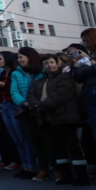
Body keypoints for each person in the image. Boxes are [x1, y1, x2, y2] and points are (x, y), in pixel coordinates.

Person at [29, 53, 90, 186]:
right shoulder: (38, 82)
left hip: (65, 118)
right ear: (43, 66)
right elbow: (31, 96)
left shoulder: (66, 77)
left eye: (51, 62)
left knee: (73, 147)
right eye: (46, 63)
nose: (49, 65)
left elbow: (61, 95)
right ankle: (65, 176)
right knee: (57, 149)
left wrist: (41, 105)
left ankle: (82, 176)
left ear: (57, 63)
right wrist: (36, 105)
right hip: (46, 120)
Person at [12, 47, 49, 181]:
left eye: (22, 57)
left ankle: (56, 168)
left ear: (30, 57)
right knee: (34, 141)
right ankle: (43, 169)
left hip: (42, 109)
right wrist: (24, 103)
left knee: (48, 140)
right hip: (26, 111)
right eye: (18, 57)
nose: (19, 59)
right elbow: (14, 91)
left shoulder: (42, 72)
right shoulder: (16, 73)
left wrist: (37, 103)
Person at [0, 51, 35, 178]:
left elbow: (13, 89)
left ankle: (31, 167)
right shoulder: (2, 73)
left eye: (0, 58)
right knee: (16, 139)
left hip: (15, 105)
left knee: (23, 138)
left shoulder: (15, 72)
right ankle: (25, 166)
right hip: (5, 105)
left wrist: (3, 85)